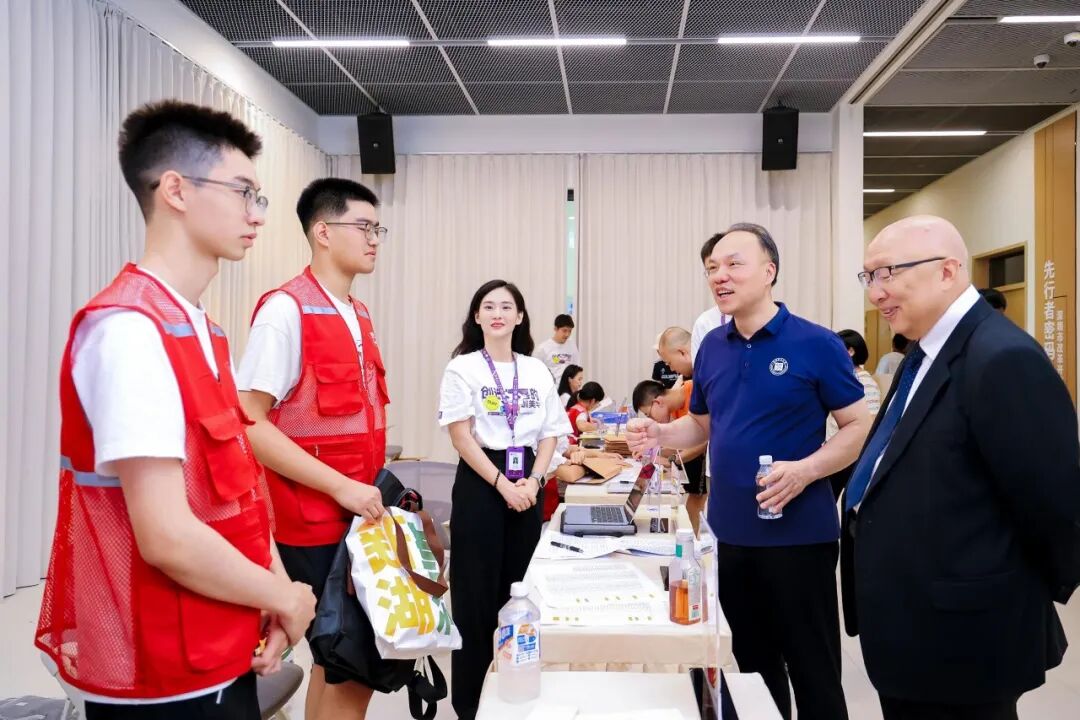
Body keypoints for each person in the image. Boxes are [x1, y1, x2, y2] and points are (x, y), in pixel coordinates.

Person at [35, 100, 317, 720]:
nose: (256, 214)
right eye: (243, 193)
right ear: (176, 190)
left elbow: (238, 493)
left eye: (259, 197)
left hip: (221, 641)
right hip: (160, 671)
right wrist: (286, 596)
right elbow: (166, 536)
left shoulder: (202, 331)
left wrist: (273, 593)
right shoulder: (130, 330)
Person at [627, 223, 871, 720]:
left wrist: (805, 471)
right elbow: (703, 425)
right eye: (712, 268)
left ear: (769, 271)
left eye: (734, 264)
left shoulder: (816, 343)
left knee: (814, 671)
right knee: (754, 670)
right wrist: (660, 434)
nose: (720, 275)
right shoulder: (712, 348)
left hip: (798, 537)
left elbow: (858, 427)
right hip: (730, 536)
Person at [844, 215, 1080, 720]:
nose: (876, 292)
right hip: (912, 621)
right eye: (869, 277)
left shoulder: (1002, 358)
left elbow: (1055, 505)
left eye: (887, 273)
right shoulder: (925, 351)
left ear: (948, 271)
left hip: (965, 631)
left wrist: (1011, 594)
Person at [237, 178, 389, 720]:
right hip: (313, 520)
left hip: (359, 512)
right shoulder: (285, 310)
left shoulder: (359, 313)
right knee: (353, 663)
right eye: (363, 226)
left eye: (378, 229)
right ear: (322, 232)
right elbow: (249, 423)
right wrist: (341, 486)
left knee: (335, 662)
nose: (374, 239)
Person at [438, 280, 571, 720]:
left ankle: (515, 694)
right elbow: (461, 436)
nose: (498, 314)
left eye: (507, 307)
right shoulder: (462, 368)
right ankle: (471, 704)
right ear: (477, 316)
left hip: (527, 481)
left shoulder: (535, 370)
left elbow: (551, 433)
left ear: (520, 317)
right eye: (489, 306)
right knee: (475, 599)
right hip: (481, 481)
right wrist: (502, 484)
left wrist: (534, 480)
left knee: (520, 594)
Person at [655, 327, 709, 533]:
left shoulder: (699, 381)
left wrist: (672, 458)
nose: (672, 369)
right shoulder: (696, 378)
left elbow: (704, 433)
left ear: (682, 352)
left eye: (670, 363)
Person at [826, 329, 882, 441]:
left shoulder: (865, 383)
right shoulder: (845, 379)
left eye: (834, 351)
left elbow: (870, 424)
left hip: (844, 448)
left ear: (851, 351)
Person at [534, 313, 579, 383]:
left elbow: (576, 369)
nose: (567, 334)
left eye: (570, 331)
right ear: (555, 329)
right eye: (564, 330)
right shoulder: (542, 349)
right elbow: (535, 371)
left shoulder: (572, 346)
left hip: (568, 387)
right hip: (550, 387)